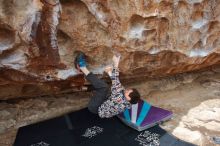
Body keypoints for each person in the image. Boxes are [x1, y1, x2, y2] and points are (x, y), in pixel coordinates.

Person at [74, 51, 140, 118]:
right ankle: (85, 88)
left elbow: (116, 81)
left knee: (103, 87)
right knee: (107, 87)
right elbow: (118, 85)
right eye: (128, 90)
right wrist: (109, 73)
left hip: (95, 107)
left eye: (128, 92)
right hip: (104, 102)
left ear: (129, 98)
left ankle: (81, 67)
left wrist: (116, 63)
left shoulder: (119, 99)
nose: (126, 90)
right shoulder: (127, 103)